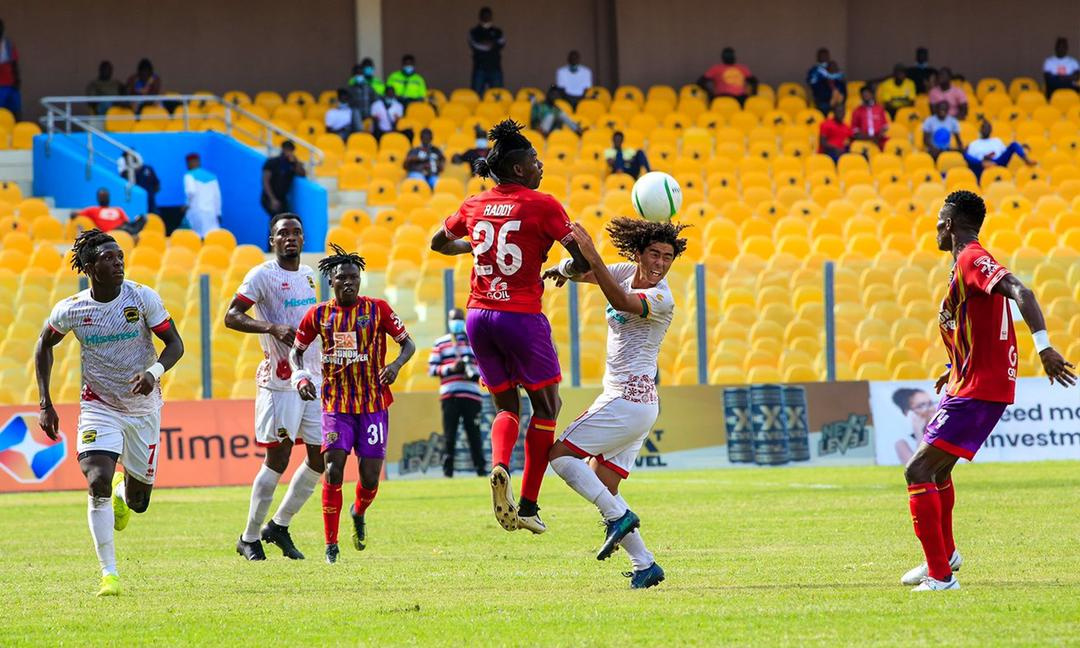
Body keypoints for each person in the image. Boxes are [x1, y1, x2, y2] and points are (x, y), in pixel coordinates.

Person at [900, 190, 1075, 591]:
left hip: (980, 388)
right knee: (937, 470)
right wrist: (953, 367)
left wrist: (1044, 346)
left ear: (951, 223)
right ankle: (945, 557)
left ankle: (941, 577)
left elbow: (1022, 292)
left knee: (918, 470)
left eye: (940, 219)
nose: (936, 226)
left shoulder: (972, 258)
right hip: (969, 380)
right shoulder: (962, 264)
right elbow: (977, 323)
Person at [429, 119, 591, 534]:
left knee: (505, 407)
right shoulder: (545, 204)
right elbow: (584, 260)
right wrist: (566, 269)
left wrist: (478, 244)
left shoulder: (473, 204)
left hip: (478, 317)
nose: (541, 167)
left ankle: (500, 465)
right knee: (548, 407)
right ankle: (530, 504)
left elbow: (437, 243)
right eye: (535, 161)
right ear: (519, 169)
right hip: (521, 316)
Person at [34, 229, 184, 596]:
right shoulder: (72, 309)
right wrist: (45, 402)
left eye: (120, 257)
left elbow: (175, 344)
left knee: (139, 502)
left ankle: (123, 494)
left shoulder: (142, 297)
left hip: (143, 408)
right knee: (96, 479)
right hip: (98, 404)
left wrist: (153, 373)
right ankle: (109, 574)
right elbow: (44, 345)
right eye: (109, 259)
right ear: (89, 268)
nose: (119, 264)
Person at [543, 217, 685, 590]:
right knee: (604, 483)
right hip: (637, 404)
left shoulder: (661, 297)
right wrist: (563, 267)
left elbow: (619, 299)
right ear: (638, 253)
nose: (659, 263)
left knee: (559, 456)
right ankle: (645, 565)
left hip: (628, 398)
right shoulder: (625, 271)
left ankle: (618, 517)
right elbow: (590, 273)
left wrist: (590, 252)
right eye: (654, 253)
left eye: (667, 257)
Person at [289, 245, 416, 564]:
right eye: (343, 278)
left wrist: (397, 365)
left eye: (354, 277)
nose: (350, 283)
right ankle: (331, 545)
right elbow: (296, 351)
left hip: (373, 405)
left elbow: (408, 343)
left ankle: (358, 511)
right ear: (331, 280)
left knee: (370, 477)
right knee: (333, 469)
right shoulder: (318, 314)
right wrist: (301, 377)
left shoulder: (379, 309)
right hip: (336, 406)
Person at [226, 214, 324, 561]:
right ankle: (249, 537)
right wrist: (271, 327)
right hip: (280, 381)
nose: (291, 238)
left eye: (297, 232)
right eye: (283, 233)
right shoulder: (261, 275)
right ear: (272, 240)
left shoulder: (311, 275)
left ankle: (279, 525)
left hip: (313, 377)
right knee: (278, 458)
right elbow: (231, 316)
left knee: (319, 457)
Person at [428, 308, 486, 478]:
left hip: (472, 396)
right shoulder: (440, 343)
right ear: (448, 320)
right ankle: (448, 471)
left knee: (474, 434)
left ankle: (481, 470)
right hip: (450, 396)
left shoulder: (475, 342)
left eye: (460, 319)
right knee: (449, 434)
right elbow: (432, 369)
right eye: (454, 319)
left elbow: (485, 367)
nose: (457, 322)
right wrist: (452, 368)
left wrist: (472, 370)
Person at [964, 120, 1035, 180]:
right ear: (980, 130)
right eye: (984, 127)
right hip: (981, 165)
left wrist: (1021, 146)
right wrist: (984, 159)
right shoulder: (974, 143)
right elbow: (971, 159)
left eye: (988, 127)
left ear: (991, 130)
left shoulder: (997, 141)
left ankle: (1027, 160)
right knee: (965, 154)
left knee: (1014, 144)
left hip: (997, 162)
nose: (986, 129)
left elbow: (1005, 152)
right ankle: (983, 163)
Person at [261, 141, 306, 218]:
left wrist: (296, 162)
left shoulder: (293, 164)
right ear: (282, 149)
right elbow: (265, 181)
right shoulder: (272, 162)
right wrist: (272, 199)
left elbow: (302, 174)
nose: (288, 152)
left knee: (285, 220)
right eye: (286, 149)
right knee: (277, 219)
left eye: (290, 150)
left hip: (282, 198)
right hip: (269, 196)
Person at [891, 388, 935, 464]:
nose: (930, 409)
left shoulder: (941, 432)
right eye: (921, 405)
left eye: (930, 403)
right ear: (908, 412)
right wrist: (918, 431)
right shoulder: (902, 443)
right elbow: (918, 466)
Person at [182, 153, 222, 237]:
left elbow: (191, 192)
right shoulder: (212, 177)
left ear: (190, 162)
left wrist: (186, 205)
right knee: (211, 237)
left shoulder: (189, 175)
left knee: (196, 238)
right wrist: (218, 213)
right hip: (211, 213)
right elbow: (217, 197)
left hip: (196, 212)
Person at [469, 6, 505, 94]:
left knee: (497, 96)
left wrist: (487, 44)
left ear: (491, 16)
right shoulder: (474, 31)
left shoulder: (497, 31)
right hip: (479, 68)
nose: (486, 17)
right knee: (476, 96)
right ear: (480, 16)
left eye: (488, 15)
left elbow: (502, 43)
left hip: (495, 68)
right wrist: (492, 44)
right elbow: (475, 45)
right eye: (484, 15)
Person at [117, 151, 160, 216]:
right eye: (128, 159)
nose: (131, 160)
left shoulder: (148, 169)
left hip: (151, 204)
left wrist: (151, 194)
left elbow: (157, 184)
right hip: (136, 205)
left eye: (133, 157)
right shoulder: (125, 174)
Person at [346, 59, 384, 130]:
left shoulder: (368, 87)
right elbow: (348, 104)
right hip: (356, 116)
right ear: (353, 75)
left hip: (368, 113)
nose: (359, 76)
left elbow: (376, 99)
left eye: (360, 74)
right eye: (357, 74)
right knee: (355, 113)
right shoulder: (350, 88)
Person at [806, 48, 845, 115]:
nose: (824, 58)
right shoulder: (815, 70)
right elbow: (812, 84)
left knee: (841, 109)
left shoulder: (834, 69)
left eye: (826, 56)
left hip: (838, 101)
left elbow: (842, 87)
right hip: (823, 100)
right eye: (822, 56)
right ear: (818, 57)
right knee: (824, 107)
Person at [850, 85, 889, 150]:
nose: (866, 96)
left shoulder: (879, 109)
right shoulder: (857, 111)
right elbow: (855, 131)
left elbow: (884, 127)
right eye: (863, 94)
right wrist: (870, 138)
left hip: (879, 140)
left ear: (872, 94)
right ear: (861, 96)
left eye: (867, 94)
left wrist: (877, 137)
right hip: (864, 141)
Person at [0, 19, 21, 120]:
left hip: (10, 85)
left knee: (15, 112)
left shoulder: (7, 45)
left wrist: (16, 82)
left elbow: (14, 63)